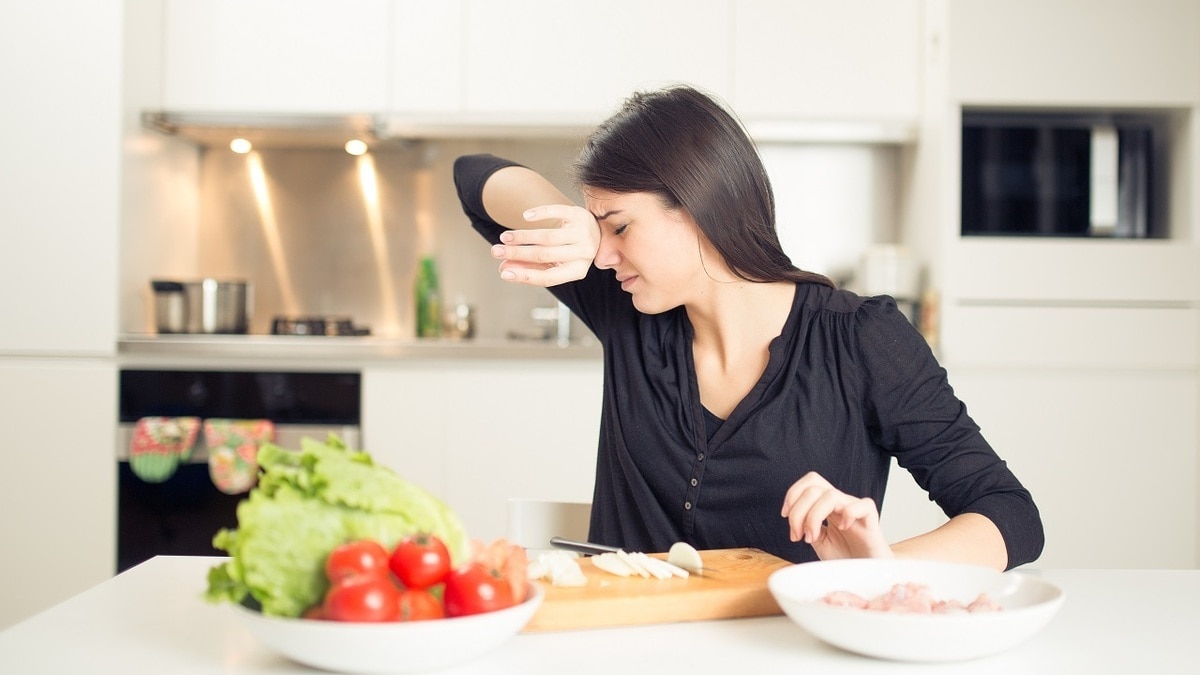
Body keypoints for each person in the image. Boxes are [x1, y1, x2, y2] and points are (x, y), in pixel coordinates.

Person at [453, 84, 1043, 571]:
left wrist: (875, 572)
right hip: (627, 646)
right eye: (600, 232)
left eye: (622, 227)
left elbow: (1009, 515)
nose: (604, 255)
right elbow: (473, 177)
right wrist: (578, 224)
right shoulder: (629, 307)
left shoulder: (861, 340)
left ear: (698, 207)